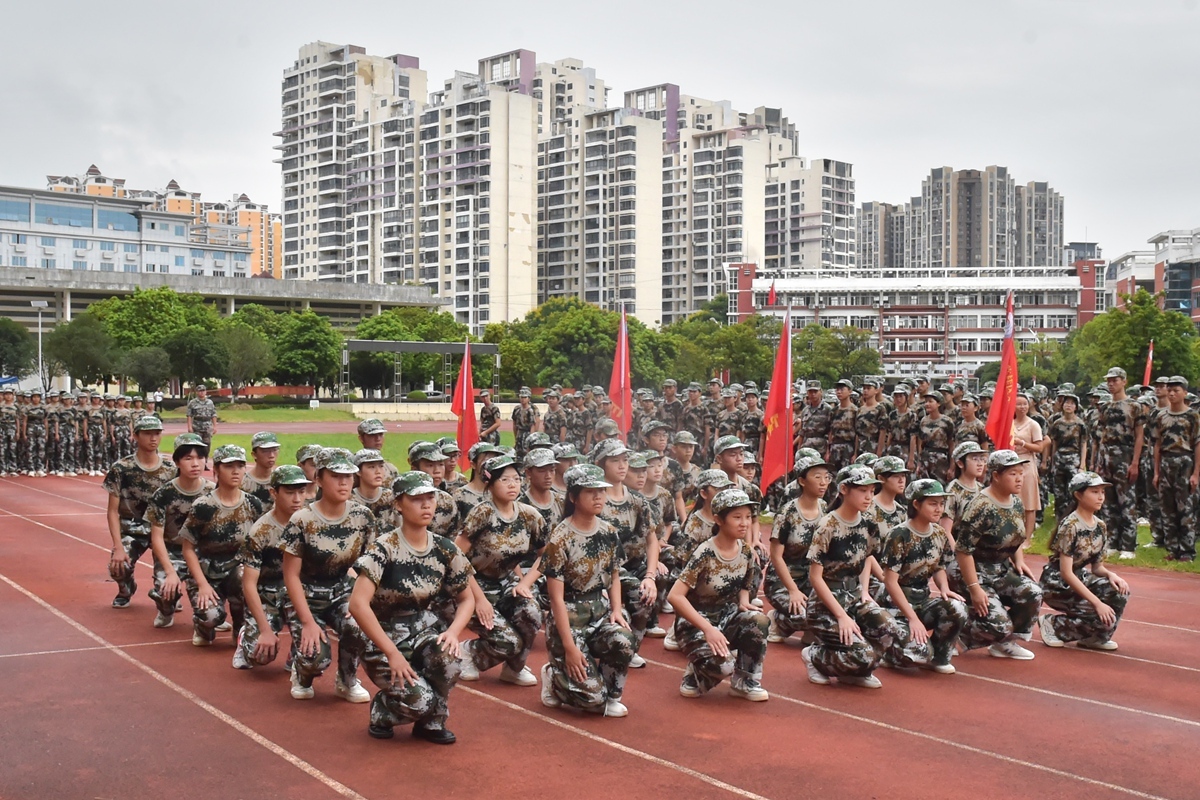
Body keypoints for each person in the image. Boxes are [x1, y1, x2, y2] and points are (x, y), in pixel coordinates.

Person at [349, 471, 475, 744]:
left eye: (430, 497)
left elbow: (467, 598)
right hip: (385, 636)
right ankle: (383, 709)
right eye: (417, 499)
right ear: (398, 504)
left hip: (423, 630)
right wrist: (392, 653)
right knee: (419, 701)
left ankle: (432, 722)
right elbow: (358, 604)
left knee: (450, 660)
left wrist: (453, 632)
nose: (427, 505)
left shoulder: (445, 549)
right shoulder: (384, 548)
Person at [540, 464, 636, 717]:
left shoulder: (608, 532)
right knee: (592, 701)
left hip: (598, 611)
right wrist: (570, 648)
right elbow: (556, 600)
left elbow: (614, 574)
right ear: (573, 497)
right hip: (569, 618)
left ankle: (610, 692)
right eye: (590, 492)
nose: (598, 497)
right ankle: (554, 678)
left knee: (624, 639)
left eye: (601, 492)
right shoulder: (560, 538)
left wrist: (616, 609)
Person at [280, 447, 376, 703]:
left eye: (348, 476)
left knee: (360, 626)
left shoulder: (363, 517)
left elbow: (369, 566)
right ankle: (303, 673)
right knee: (316, 657)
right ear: (319, 479)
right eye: (335, 476)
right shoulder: (302, 520)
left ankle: (347, 680)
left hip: (343, 590)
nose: (343, 482)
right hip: (306, 595)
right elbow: (291, 575)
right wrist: (308, 621)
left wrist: (358, 599)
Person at [801, 466, 905, 689]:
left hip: (854, 597)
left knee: (890, 630)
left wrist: (865, 592)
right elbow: (815, 578)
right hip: (826, 605)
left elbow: (867, 558)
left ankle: (857, 670)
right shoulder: (827, 526)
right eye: (862, 491)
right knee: (864, 653)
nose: (868, 497)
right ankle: (815, 656)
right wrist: (841, 615)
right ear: (844, 489)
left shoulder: (868, 523)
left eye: (871, 491)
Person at [668, 488, 770, 701]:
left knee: (759, 620)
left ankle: (745, 680)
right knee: (723, 666)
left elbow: (747, 582)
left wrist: (744, 601)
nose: (745, 523)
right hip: (696, 624)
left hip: (727, 617)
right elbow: (675, 596)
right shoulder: (705, 552)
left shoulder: (745, 551)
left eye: (748, 517)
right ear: (719, 520)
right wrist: (707, 629)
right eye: (737, 517)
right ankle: (694, 674)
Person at [456, 455, 547, 686]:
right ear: (490, 483)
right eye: (504, 479)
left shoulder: (530, 516)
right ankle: (468, 653)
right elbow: (456, 558)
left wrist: (525, 583)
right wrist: (478, 599)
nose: (512, 484)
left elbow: (546, 555)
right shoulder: (481, 514)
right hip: (472, 584)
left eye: (516, 479)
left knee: (532, 612)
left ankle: (514, 668)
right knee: (508, 642)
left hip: (506, 582)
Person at [953, 450, 1043, 660]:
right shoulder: (980, 506)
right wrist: (975, 588)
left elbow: (1016, 536)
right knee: (999, 624)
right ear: (996, 476)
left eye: (1021, 472)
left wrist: (1018, 561)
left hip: (1001, 569)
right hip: (973, 572)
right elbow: (963, 551)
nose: (1020, 478)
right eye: (1013, 473)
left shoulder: (1016, 503)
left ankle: (1004, 643)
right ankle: (954, 637)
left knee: (1034, 593)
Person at [178, 445, 264, 654]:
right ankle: (203, 626)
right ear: (216, 469)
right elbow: (188, 548)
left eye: (240, 466)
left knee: (246, 580)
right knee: (210, 618)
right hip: (207, 572)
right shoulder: (204, 505)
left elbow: (259, 546)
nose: (236, 471)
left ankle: (240, 626)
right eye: (229, 466)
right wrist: (202, 585)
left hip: (238, 572)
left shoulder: (253, 504)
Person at [880, 479, 968, 673]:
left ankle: (940, 656)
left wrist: (944, 589)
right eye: (932, 503)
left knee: (958, 608)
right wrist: (912, 618)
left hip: (921, 599)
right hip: (895, 605)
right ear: (916, 504)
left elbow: (938, 567)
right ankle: (887, 649)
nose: (939, 509)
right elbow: (890, 581)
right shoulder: (899, 535)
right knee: (918, 655)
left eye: (941, 504)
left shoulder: (938, 533)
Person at [1038, 471, 1131, 651]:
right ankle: (1054, 625)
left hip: (1080, 576)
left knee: (1118, 593)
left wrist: (1111, 575)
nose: (1100, 497)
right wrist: (1097, 603)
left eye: (1102, 492)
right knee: (1096, 611)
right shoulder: (1070, 526)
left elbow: (1097, 567)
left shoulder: (1100, 526)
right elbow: (1066, 572)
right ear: (1078, 495)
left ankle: (1097, 637)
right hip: (1057, 583)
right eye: (1094, 492)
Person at [592, 439, 659, 668]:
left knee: (645, 596)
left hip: (629, 566)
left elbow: (652, 540)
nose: (622, 466)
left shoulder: (637, 500)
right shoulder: (595, 499)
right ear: (601, 464)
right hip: (600, 571)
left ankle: (632, 646)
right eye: (615, 461)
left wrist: (650, 576)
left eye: (625, 460)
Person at [238, 465, 311, 670]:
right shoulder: (260, 531)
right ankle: (246, 636)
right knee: (258, 655)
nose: (297, 498)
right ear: (273, 492)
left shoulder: (311, 522)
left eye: (301, 491)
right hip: (267, 594)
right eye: (289, 492)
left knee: (313, 655)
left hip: (301, 593)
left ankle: (298, 653)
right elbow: (249, 584)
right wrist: (264, 629)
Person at [103, 416, 177, 609]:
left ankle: (169, 592)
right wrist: (118, 546)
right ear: (135, 436)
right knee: (118, 566)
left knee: (169, 588)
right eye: (147, 434)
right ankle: (126, 589)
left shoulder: (170, 469)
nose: (153, 438)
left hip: (161, 532)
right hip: (131, 529)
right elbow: (112, 511)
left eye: (157, 433)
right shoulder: (121, 469)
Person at [145, 433, 214, 629]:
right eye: (188, 458)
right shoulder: (163, 495)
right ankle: (166, 609)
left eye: (200, 458)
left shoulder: (213, 492)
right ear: (176, 462)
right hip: (172, 553)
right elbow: (156, 538)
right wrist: (169, 572)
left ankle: (211, 613)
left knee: (210, 617)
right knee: (165, 588)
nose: (195, 463)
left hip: (201, 555)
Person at [765, 455, 831, 644]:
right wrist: (792, 590)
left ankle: (812, 630)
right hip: (783, 580)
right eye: (817, 477)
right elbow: (776, 556)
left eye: (826, 477)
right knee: (805, 614)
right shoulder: (787, 513)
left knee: (835, 608)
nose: (823, 483)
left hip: (812, 578)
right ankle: (778, 621)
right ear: (802, 481)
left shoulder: (825, 509)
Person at [1096, 367, 1145, 559]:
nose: (1111, 383)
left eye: (1115, 380)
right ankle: (1112, 542)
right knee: (1108, 502)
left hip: (1125, 455)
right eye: (1109, 380)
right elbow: (1102, 436)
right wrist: (1099, 461)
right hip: (1107, 456)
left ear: (1124, 381)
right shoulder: (1105, 407)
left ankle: (1128, 545)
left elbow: (1140, 435)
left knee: (1127, 501)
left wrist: (1135, 462)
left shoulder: (1134, 406)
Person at [1153, 376, 1200, 561]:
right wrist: (1156, 472)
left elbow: (1197, 444)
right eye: (1169, 390)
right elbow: (1157, 445)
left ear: (1185, 393)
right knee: (1167, 508)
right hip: (1166, 462)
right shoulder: (1161, 416)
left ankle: (1187, 551)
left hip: (1185, 462)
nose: (1172, 393)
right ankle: (1173, 548)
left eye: (1176, 390)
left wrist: (1196, 473)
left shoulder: (1193, 416)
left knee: (1186, 509)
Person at [1045, 393, 1089, 529]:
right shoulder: (1057, 423)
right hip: (1059, 460)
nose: (1068, 405)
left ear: (1076, 407)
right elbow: (1054, 443)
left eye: (1072, 403)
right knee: (1059, 493)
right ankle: (1060, 519)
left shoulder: (1080, 424)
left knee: (1073, 491)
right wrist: (1052, 462)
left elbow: (1083, 444)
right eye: (1066, 403)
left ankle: (1073, 519)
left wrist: (1082, 465)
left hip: (1074, 459)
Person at [1010, 394, 1045, 542]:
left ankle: (1028, 538)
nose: (1022, 407)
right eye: (1019, 404)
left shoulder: (1033, 424)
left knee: (1029, 503)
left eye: (1025, 404)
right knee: (1012, 501)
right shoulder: (1010, 423)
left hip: (1027, 463)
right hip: (1011, 463)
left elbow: (1039, 447)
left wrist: (1022, 443)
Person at [943, 442, 987, 543]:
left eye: (982, 459)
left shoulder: (982, 489)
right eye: (974, 459)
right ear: (960, 463)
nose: (980, 463)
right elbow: (946, 530)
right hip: (959, 546)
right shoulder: (953, 491)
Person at [452, 441, 503, 521]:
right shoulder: (461, 495)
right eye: (485, 461)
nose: (490, 465)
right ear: (473, 464)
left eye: (493, 460)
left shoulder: (500, 491)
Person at [915, 391, 954, 483]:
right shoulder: (923, 421)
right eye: (926, 402)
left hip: (941, 460)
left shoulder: (947, 421)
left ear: (939, 403)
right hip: (925, 458)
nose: (927, 404)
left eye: (930, 401)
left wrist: (952, 467)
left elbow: (951, 444)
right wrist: (919, 463)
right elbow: (920, 443)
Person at [352, 449, 396, 522]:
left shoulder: (391, 498)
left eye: (381, 466)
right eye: (372, 467)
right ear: (358, 471)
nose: (378, 471)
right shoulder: (349, 499)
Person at [242, 431, 281, 512]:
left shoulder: (282, 481)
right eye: (265, 451)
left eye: (274, 450)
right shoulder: (242, 483)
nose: (271, 455)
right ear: (254, 454)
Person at [185, 386, 217, 468]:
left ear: (206, 392)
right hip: (197, 425)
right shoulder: (192, 403)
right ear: (197, 392)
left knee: (207, 445)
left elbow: (213, 414)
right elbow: (189, 415)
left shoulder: (210, 402)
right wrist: (189, 426)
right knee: (197, 445)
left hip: (207, 426)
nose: (202, 392)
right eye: (200, 391)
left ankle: (205, 462)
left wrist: (215, 426)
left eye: (203, 391)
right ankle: (198, 462)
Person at [0, 387, 17, 476]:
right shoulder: (1, 406)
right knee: (2, 449)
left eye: (10, 394)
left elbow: (17, 419)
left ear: (12, 395)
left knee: (12, 449)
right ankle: (3, 469)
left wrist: (18, 432)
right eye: (6, 394)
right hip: (2, 428)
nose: (8, 396)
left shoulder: (16, 406)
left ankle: (12, 468)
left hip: (12, 428)